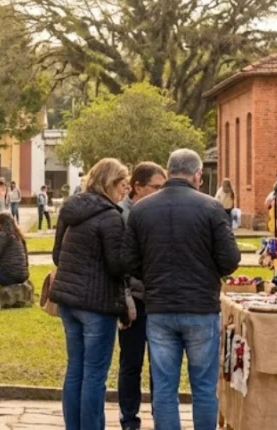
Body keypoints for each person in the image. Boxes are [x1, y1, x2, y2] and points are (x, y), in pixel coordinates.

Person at [125, 149, 240, 430]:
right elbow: (230, 259)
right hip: (200, 306)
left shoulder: (141, 209)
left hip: (160, 306)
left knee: (164, 387)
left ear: (169, 171)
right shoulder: (211, 208)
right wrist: (209, 272)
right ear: (198, 175)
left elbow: (128, 260)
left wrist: (151, 276)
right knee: (204, 386)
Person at [50, 158, 131, 430]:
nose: (125, 190)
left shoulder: (70, 209)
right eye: (122, 184)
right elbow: (116, 265)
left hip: (68, 299)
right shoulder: (110, 217)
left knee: (75, 369)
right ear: (110, 183)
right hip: (98, 304)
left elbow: (58, 254)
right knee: (95, 374)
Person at [116, 161, 166, 430]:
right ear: (137, 187)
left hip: (158, 298)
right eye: (156, 187)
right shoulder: (122, 215)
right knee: (131, 362)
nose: (161, 192)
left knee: (160, 363)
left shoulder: (157, 211)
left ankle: (161, 415)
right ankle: (129, 418)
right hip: (134, 299)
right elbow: (122, 262)